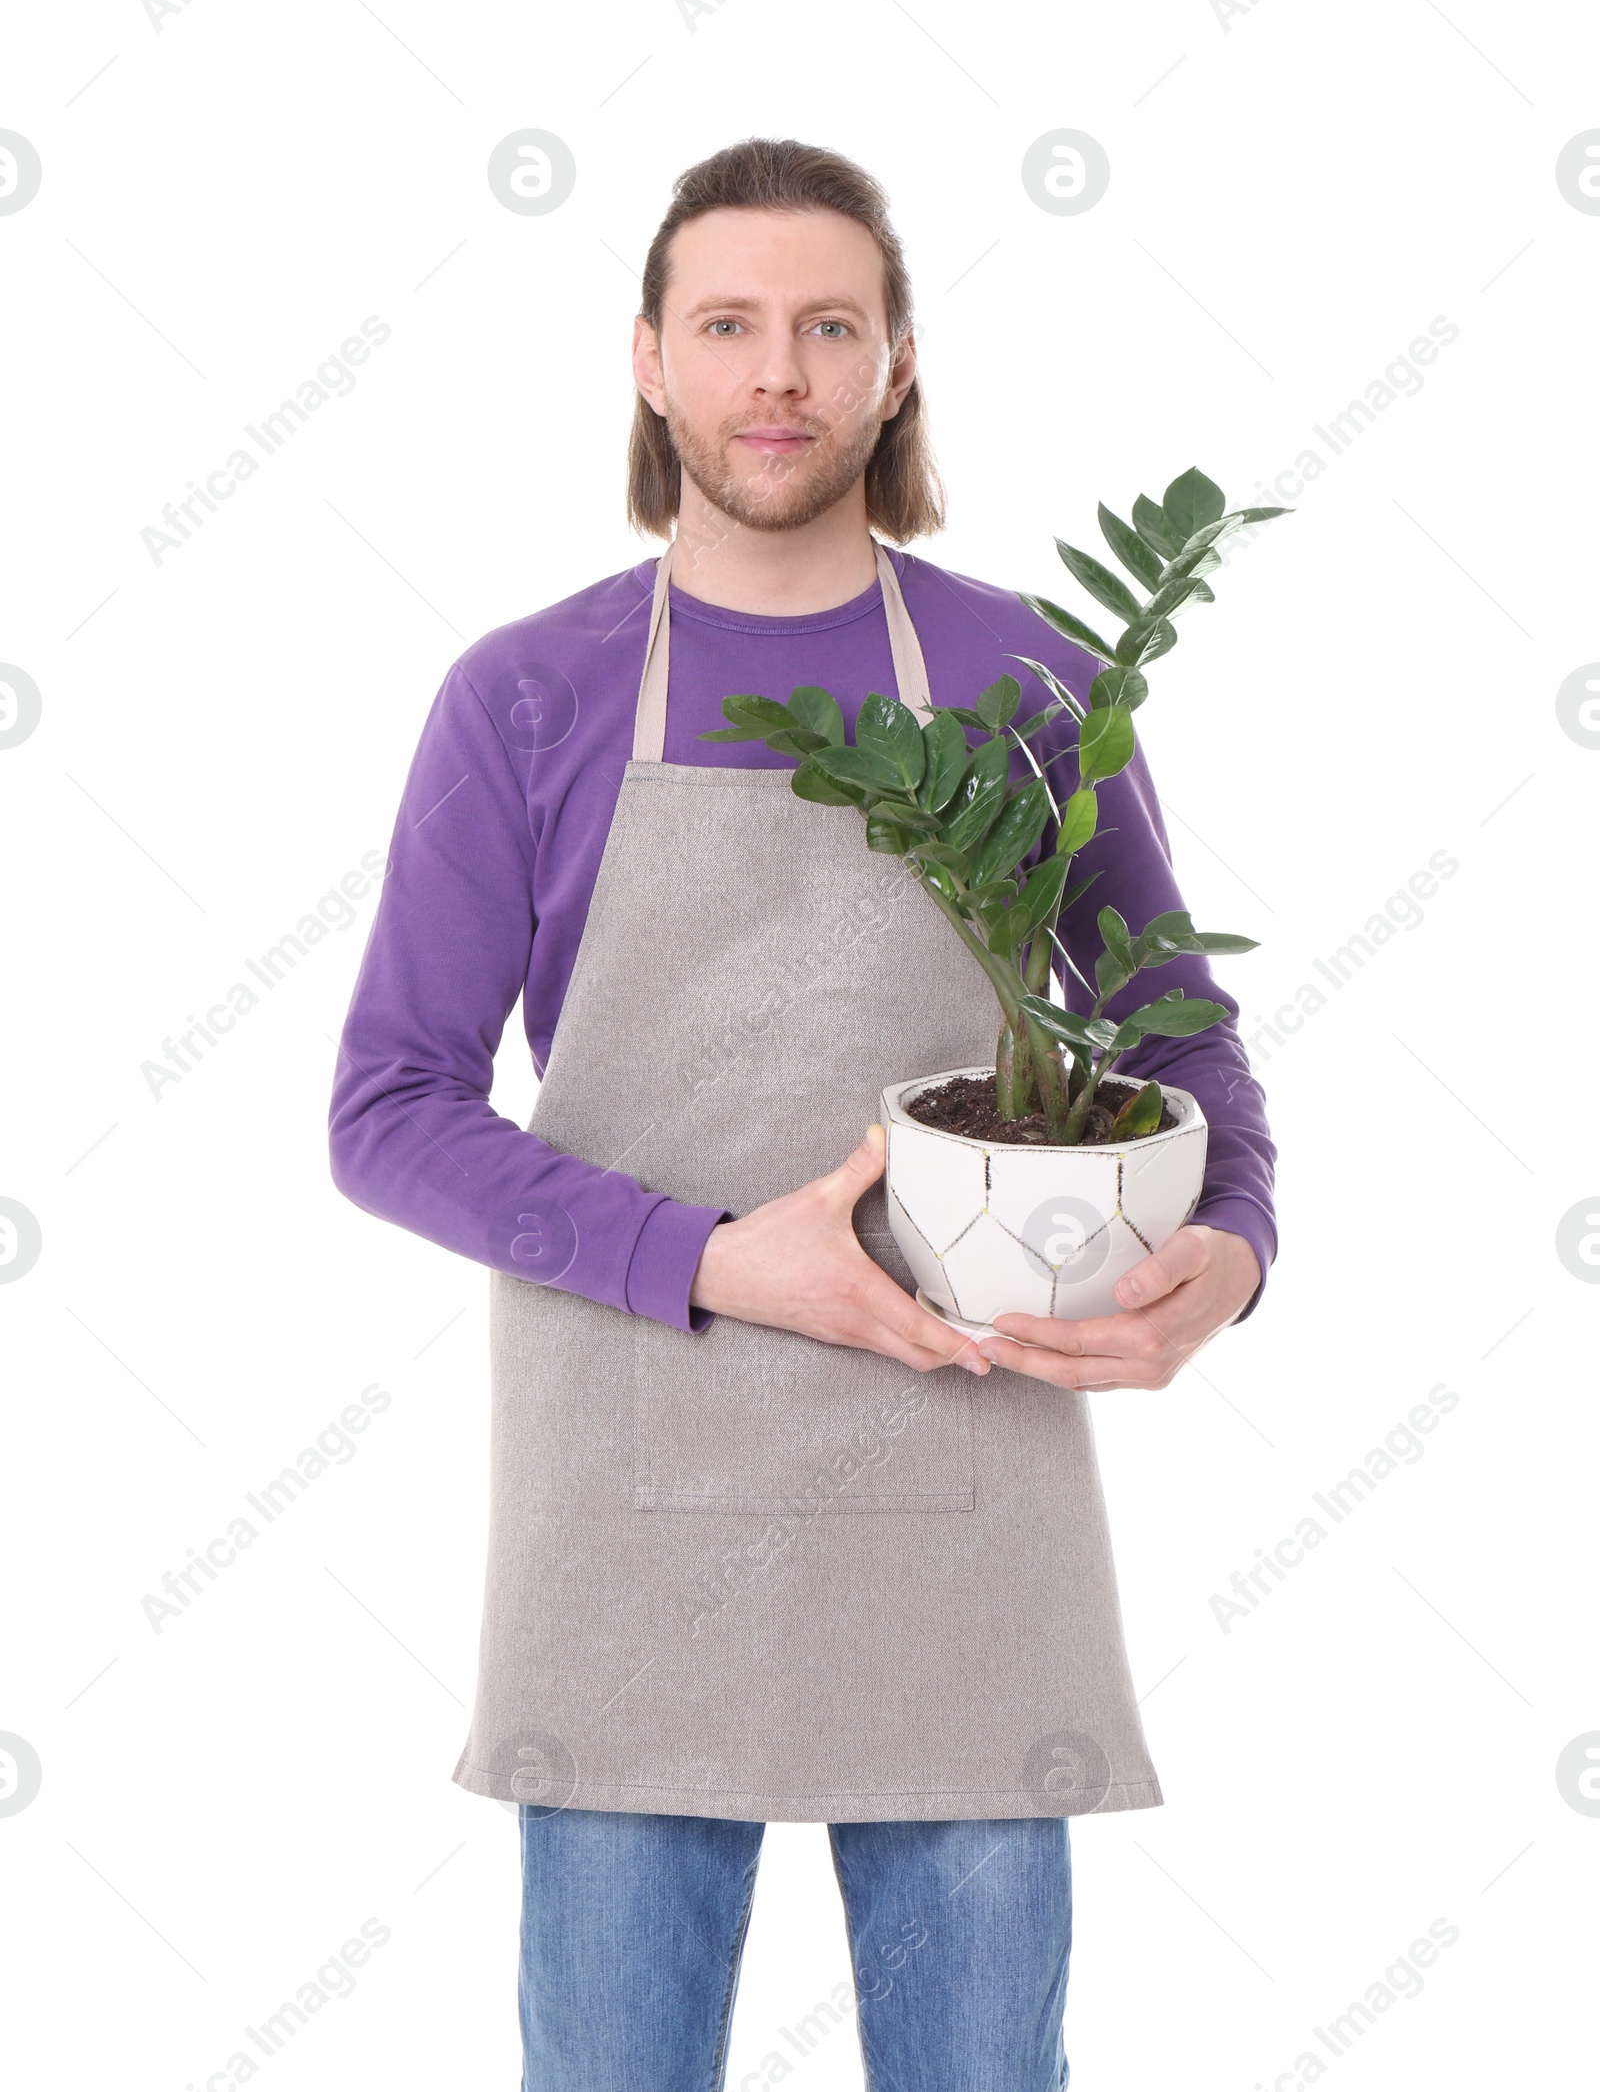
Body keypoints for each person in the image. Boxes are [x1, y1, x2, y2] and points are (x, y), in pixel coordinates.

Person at [329, 136, 1276, 2092]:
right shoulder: (526, 695)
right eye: (730, 323)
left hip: (963, 1494)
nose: (778, 369)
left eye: (826, 325)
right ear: (650, 363)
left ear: (893, 367)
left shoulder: (1025, 678)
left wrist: (1226, 1253)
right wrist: (707, 1256)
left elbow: (1176, 1038)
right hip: (626, 1506)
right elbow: (386, 1107)